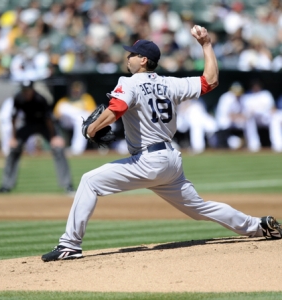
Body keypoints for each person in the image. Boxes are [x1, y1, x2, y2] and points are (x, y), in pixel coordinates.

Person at [42, 26, 282, 262]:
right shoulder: (171, 83)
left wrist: (91, 129)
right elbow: (211, 80)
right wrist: (207, 45)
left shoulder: (130, 82)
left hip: (147, 161)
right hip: (170, 161)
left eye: (132, 54)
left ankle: (69, 245)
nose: (128, 57)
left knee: (89, 181)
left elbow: (118, 108)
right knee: (200, 208)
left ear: (143, 60)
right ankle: (258, 226)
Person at [0, 80, 75, 195]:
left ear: (32, 90)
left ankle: (68, 185)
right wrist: (13, 138)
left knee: (58, 149)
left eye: (28, 90)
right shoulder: (18, 98)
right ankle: (6, 185)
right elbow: (14, 118)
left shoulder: (40, 99)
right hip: (27, 124)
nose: (26, 93)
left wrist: (53, 137)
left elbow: (49, 120)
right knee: (14, 149)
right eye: (24, 90)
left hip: (44, 125)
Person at [53, 81, 97, 155]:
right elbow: (56, 115)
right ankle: (77, 149)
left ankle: (77, 149)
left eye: (77, 90)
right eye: (74, 90)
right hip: (67, 122)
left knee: (80, 119)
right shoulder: (65, 100)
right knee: (64, 106)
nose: (76, 92)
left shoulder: (87, 98)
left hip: (82, 121)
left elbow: (92, 114)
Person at [215, 81, 246, 149]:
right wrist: (239, 117)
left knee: (248, 122)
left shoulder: (241, 97)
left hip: (235, 122)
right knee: (226, 122)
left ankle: (249, 144)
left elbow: (244, 113)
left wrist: (241, 117)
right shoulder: (226, 97)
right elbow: (227, 114)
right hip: (223, 121)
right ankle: (223, 145)